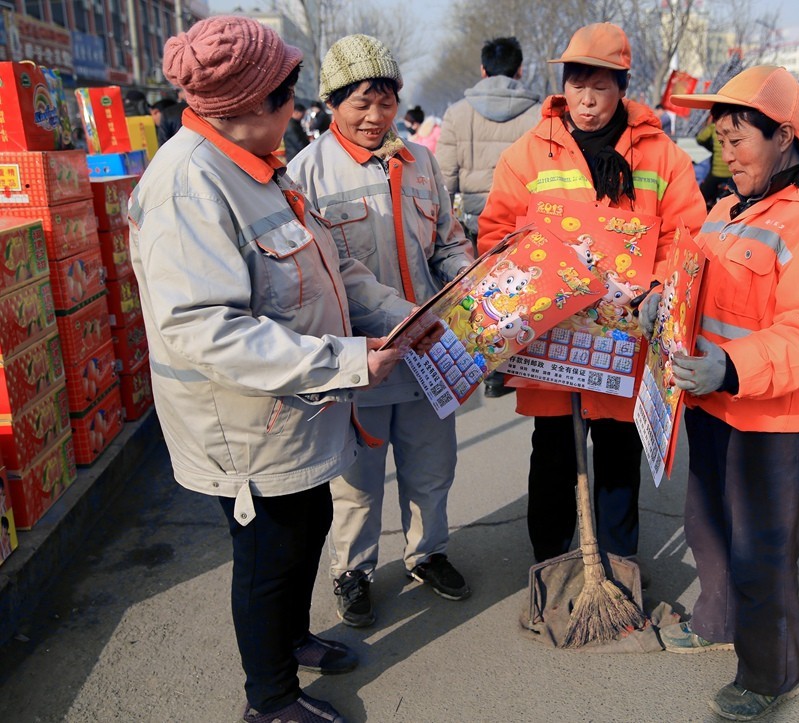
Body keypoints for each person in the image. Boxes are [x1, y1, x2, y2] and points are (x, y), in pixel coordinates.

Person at [129, 16, 432, 723]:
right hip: (242, 425)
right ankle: (268, 698)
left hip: (293, 411)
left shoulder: (258, 167)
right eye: (285, 98)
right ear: (243, 107)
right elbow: (209, 329)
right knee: (270, 555)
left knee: (309, 520)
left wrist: (402, 313)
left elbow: (333, 265)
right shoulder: (189, 189)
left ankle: (292, 640)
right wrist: (351, 360)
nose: (295, 112)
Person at [642, 65, 799, 720]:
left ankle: (773, 674)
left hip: (775, 418)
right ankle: (717, 620)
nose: (727, 153)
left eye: (739, 138)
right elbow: (694, 282)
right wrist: (657, 304)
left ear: (786, 137)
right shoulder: (728, 205)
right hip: (714, 405)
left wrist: (733, 367)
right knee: (707, 525)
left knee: (762, 551)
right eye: (719, 140)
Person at [477, 23, 706, 570]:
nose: (587, 98)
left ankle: (619, 562)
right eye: (577, 83)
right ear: (563, 85)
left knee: (619, 454)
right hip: (553, 339)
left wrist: (655, 289)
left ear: (622, 87)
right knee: (553, 450)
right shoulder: (528, 155)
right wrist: (535, 279)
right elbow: (495, 236)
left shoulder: (661, 157)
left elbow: (685, 237)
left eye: (600, 86)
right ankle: (551, 565)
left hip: (624, 339)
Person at [288, 34, 475, 629]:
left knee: (431, 466)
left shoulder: (420, 163)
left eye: (387, 102)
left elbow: (447, 242)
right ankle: (353, 571)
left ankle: (427, 554)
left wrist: (470, 282)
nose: (375, 117)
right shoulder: (305, 174)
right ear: (332, 103)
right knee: (356, 482)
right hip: (360, 361)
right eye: (361, 103)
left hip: (428, 353)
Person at [437, 36, 541, 399]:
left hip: (476, 218)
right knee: (522, 295)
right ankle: (518, 364)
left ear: (482, 70)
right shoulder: (539, 114)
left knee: (486, 296)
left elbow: (444, 179)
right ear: (520, 70)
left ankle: (489, 368)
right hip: (524, 219)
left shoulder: (456, 114)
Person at [696, 120, 734, 209]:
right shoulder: (736, 126)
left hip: (716, 174)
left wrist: (711, 148)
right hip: (732, 174)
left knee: (702, 198)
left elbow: (700, 138)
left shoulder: (714, 127)